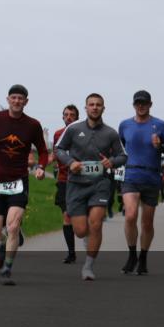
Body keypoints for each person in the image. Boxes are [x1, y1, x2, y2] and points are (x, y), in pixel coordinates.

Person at [0, 84, 49, 286]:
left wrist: (41, 167)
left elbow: (43, 150)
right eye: (13, 97)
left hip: (18, 182)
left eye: (21, 98)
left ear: (26, 101)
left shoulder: (33, 125)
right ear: (8, 99)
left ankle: (7, 268)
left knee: (13, 226)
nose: (17, 101)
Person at [54, 93, 127, 281]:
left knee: (96, 223)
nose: (95, 107)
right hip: (76, 184)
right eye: (91, 104)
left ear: (103, 108)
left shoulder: (111, 133)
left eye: (98, 105)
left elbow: (123, 156)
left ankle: (88, 266)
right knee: (79, 230)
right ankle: (87, 235)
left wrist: (111, 162)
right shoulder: (73, 128)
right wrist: (70, 162)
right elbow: (59, 149)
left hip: (100, 184)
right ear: (86, 108)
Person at [117, 90, 164, 275]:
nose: (140, 106)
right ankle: (132, 254)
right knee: (130, 215)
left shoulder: (160, 125)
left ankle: (143, 257)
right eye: (137, 103)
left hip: (151, 176)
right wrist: (116, 175)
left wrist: (161, 146)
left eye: (144, 103)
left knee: (147, 223)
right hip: (131, 175)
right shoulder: (125, 125)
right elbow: (120, 150)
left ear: (150, 104)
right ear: (133, 105)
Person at [50, 104, 80, 263]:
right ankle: (71, 253)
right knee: (67, 216)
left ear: (77, 117)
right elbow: (56, 153)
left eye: (72, 115)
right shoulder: (58, 134)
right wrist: (44, 163)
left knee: (80, 219)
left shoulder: (83, 133)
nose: (68, 117)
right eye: (66, 115)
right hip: (63, 180)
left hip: (81, 181)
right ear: (62, 117)